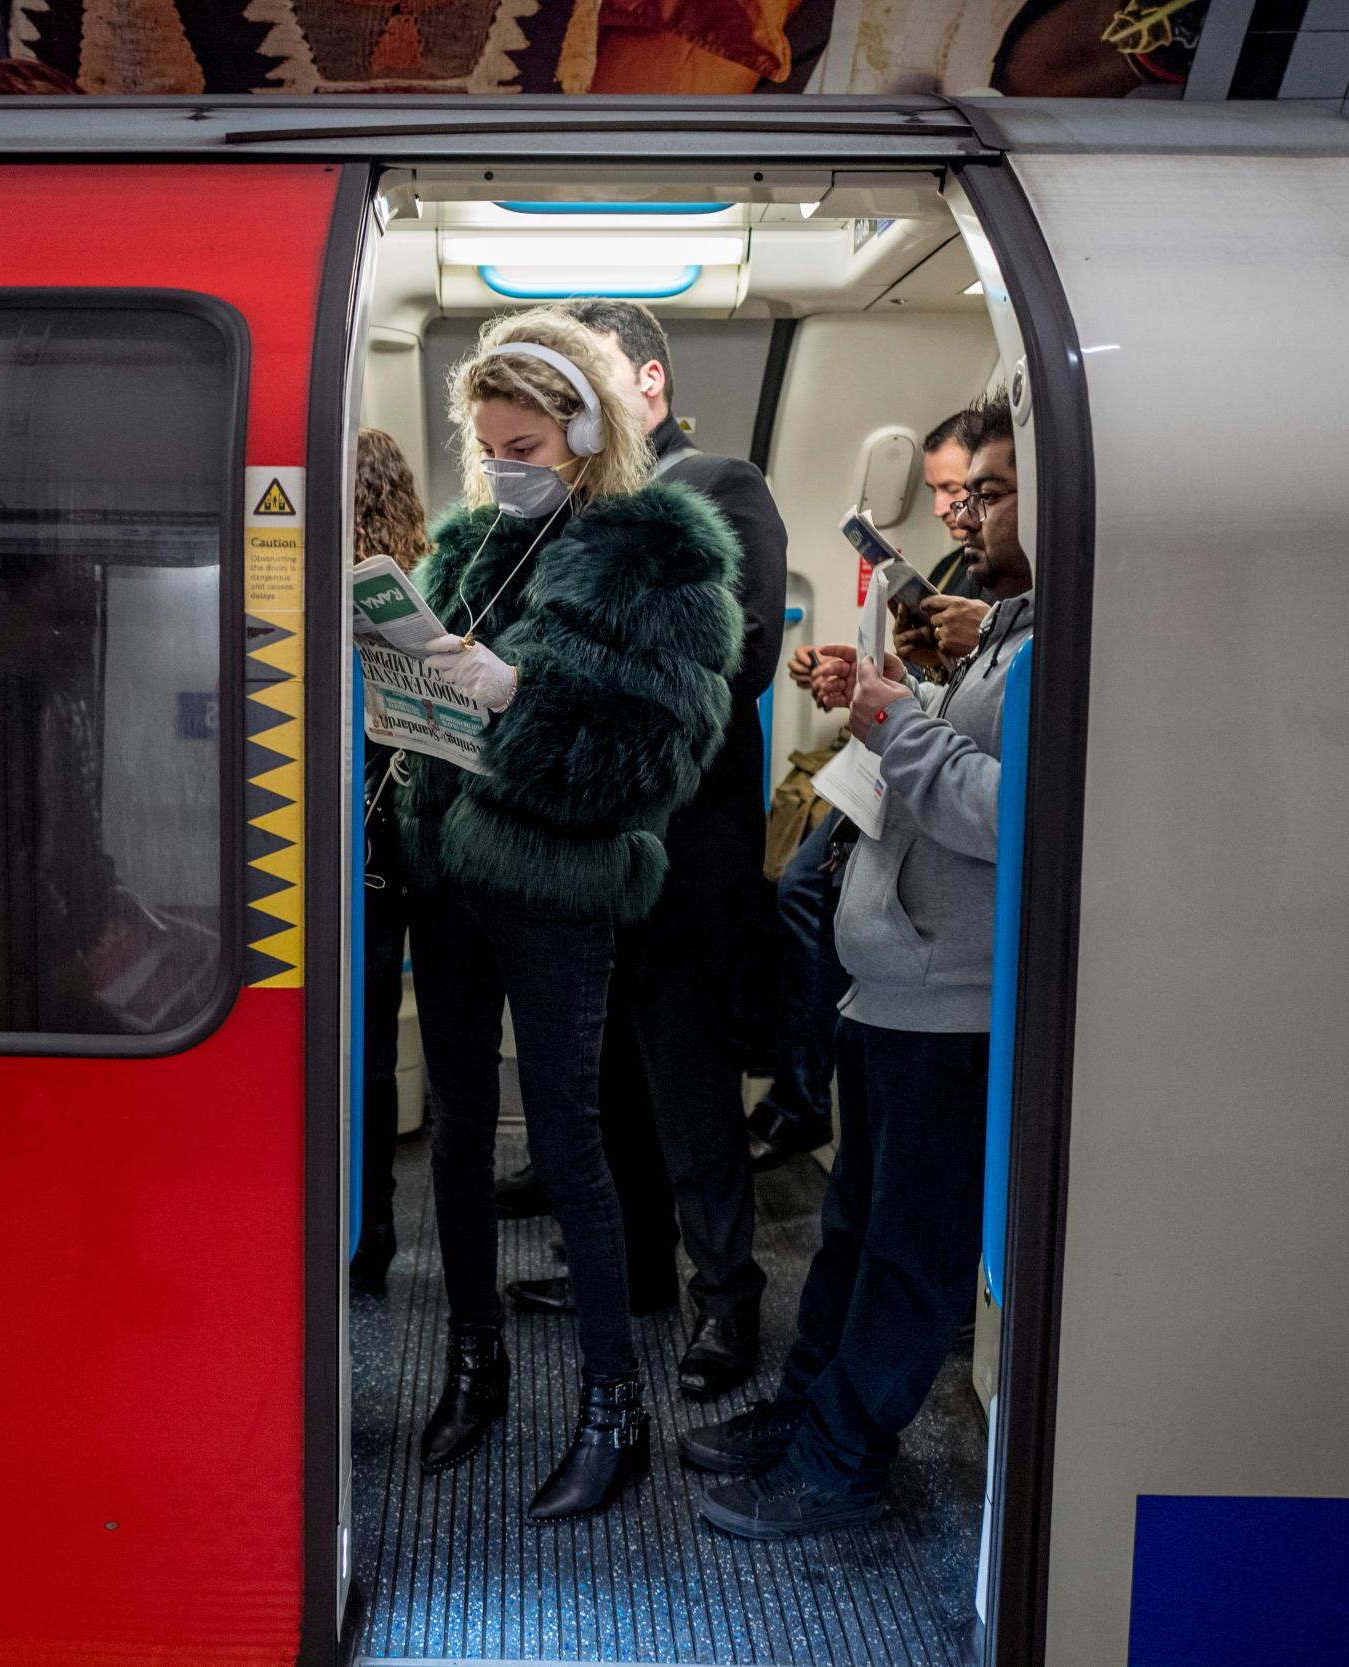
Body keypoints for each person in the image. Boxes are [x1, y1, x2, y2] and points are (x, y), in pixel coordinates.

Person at [399, 308, 743, 1521]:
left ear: (589, 437)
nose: (503, 466)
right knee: (451, 1132)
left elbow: (655, 760)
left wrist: (515, 698)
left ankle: (614, 1408)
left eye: (526, 445)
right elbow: (437, 731)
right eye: (487, 443)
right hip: (449, 881)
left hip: (556, 890)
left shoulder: (657, 560)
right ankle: (472, 1359)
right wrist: (414, 690)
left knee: (569, 1141)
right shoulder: (466, 550)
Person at [686, 392, 1035, 1539]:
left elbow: (1012, 810)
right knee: (850, 1226)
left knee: (911, 1250)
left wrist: (895, 720)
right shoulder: (999, 624)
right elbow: (951, 746)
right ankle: (805, 1411)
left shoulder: (1061, 642)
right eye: (959, 494)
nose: (966, 516)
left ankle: (840, 1461)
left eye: (989, 492)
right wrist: (890, 695)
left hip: (954, 988)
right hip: (893, 974)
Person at [492, 299, 785, 1401]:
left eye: (592, 375)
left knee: (687, 1075)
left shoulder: (714, 487)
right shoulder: (571, 512)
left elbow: (744, 653)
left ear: (644, 384)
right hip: (593, 843)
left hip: (685, 842)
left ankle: (728, 1293)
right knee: (608, 1067)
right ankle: (641, 1272)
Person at [750, 402, 990, 1171]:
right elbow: (931, 682)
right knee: (796, 890)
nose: (954, 511)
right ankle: (801, 1089)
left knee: (803, 893)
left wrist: (956, 654)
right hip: (900, 748)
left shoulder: (1010, 594)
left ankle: (801, 1097)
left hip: (932, 768)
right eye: (946, 493)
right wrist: (854, 673)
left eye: (969, 493)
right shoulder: (957, 572)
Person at [350, 428, 431, 1296]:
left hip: (351, 837)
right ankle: (372, 1233)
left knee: (348, 1039)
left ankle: (356, 1227)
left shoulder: (314, 593)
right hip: (400, 841)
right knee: (373, 1034)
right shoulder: (422, 587)